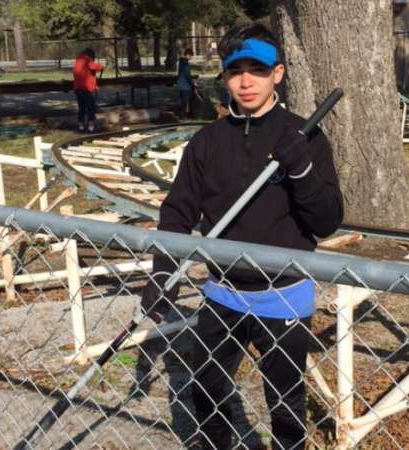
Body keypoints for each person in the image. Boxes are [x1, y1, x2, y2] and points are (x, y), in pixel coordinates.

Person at [142, 22, 344, 450]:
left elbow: (327, 222)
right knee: (207, 390)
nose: (246, 81)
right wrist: (162, 274)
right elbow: (177, 212)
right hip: (224, 292)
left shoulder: (303, 136)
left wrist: (302, 169)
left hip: (284, 292)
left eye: (258, 69)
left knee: (286, 402)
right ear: (225, 77)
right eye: (236, 71)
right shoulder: (207, 141)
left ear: (279, 74)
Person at [73, 48, 104, 133]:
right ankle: (91, 126)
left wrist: (95, 86)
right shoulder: (87, 59)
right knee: (91, 107)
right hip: (85, 89)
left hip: (78, 88)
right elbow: (92, 67)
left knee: (81, 107)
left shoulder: (78, 60)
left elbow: (88, 74)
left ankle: (81, 126)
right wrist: (100, 66)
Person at [177, 48, 195, 120]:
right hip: (185, 85)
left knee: (181, 100)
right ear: (187, 54)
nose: (191, 58)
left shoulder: (181, 62)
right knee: (184, 101)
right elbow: (187, 75)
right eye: (191, 56)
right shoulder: (185, 63)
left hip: (180, 84)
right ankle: (183, 116)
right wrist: (192, 83)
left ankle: (180, 115)